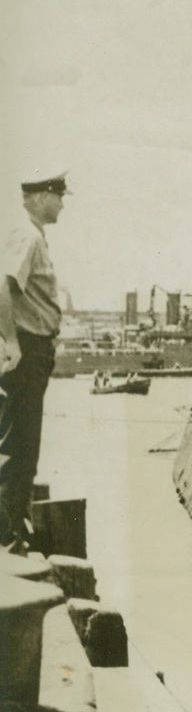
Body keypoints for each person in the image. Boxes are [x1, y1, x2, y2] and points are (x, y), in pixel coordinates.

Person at [0, 170, 68, 554]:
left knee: (25, 442)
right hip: (28, 349)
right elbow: (3, 287)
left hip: (32, 348)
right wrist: (12, 340)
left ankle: (12, 528)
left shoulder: (33, 236)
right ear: (43, 196)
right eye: (59, 196)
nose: (62, 204)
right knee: (20, 443)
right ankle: (7, 534)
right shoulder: (27, 236)